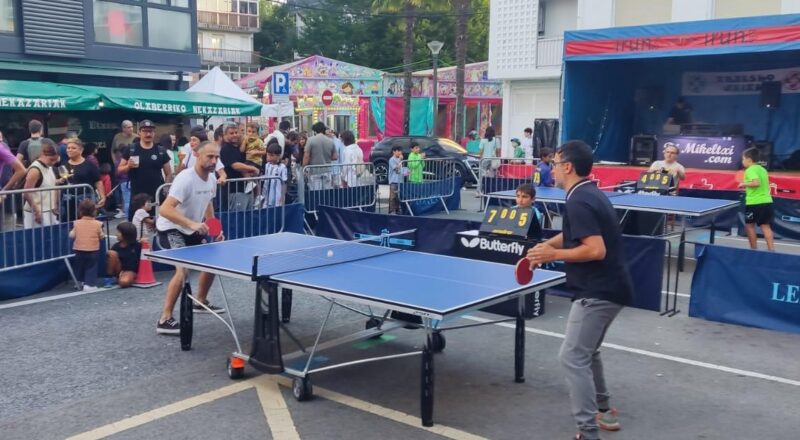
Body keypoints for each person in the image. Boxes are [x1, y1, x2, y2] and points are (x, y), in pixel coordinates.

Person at [526, 140, 633, 440]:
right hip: (613, 287)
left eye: (555, 164)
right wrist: (547, 245)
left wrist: (553, 255)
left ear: (568, 167)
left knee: (573, 357)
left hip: (598, 291)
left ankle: (587, 431)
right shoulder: (588, 192)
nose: (552, 169)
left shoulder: (578, 201)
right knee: (588, 351)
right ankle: (604, 410)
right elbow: (575, 233)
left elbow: (595, 249)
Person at [155, 140, 225, 335]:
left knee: (213, 262)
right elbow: (164, 209)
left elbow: (208, 204)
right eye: (210, 156)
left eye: (217, 157)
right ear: (197, 155)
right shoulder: (185, 179)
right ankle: (164, 319)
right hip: (171, 228)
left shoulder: (212, 180)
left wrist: (215, 229)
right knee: (183, 270)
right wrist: (191, 223)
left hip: (192, 229)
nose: (214, 161)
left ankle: (200, 301)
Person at [118, 120, 172, 220]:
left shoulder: (160, 151)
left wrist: (165, 189)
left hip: (156, 196)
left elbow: (168, 173)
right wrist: (128, 166)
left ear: (154, 133)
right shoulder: (131, 149)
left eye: (150, 131)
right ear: (139, 132)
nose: (148, 134)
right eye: (145, 131)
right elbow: (119, 170)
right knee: (137, 224)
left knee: (158, 223)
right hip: (137, 197)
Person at [61, 138, 106, 222]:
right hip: (68, 201)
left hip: (86, 201)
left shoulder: (90, 164)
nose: (70, 150)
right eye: (68, 148)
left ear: (81, 150)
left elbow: (98, 181)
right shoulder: (63, 164)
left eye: (73, 148)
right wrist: (55, 203)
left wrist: (102, 196)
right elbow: (59, 185)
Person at [739, 147, 775, 251]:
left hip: (754, 203)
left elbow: (756, 183)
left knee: (749, 226)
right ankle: (772, 251)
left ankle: (753, 250)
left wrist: (743, 184)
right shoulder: (763, 169)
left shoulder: (750, 170)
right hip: (767, 202)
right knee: (766, 227)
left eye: (743, 159)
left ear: (749, 160)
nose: (742, 161)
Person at [219, 122, 259, 211]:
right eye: (231, 133)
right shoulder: (225, 148)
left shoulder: (239, 146)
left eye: (236, 132)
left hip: (245, 189)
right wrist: (252, 168)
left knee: (247, 215)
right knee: (238, 215)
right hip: (234, 190)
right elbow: (235, 165)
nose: (235, 135)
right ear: (225, 135)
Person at [69, 199, 105, 292]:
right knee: (91, 267)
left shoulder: (76, 223)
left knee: (80, 266)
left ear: (80, 211)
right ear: (94, 211)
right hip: (92, 249)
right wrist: (101, 236)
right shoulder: (98, 224)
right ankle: (89, 284)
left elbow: (71, 235)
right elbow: (101, 236)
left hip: (78, 249)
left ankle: (80, 281)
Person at [22, 142, 61, 228]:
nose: (53, 163)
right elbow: (27, 192)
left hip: (49, 209)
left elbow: (53, 185)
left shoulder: (49, 167)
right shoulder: (35, 170)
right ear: (43, 154)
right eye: (51, 159)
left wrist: (54, 204)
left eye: (55, 160)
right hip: (37, 210)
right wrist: (36, 211)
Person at [303, 122, 337, 190]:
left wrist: (304, 167)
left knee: (316, 192)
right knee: (326, 193)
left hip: (315, 170)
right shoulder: (330, 141)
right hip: (327, 170)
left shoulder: (310, 140)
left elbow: (306, 156)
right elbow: (335, 157)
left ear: (315, 131)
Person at [106, 222, 141, 288]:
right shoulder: (116, 246)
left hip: (131, 271)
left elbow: (147, 256)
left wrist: (145, 243)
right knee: (111, 253)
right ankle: (109, 278)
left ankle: (131, 278)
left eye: (119, 232)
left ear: (126, 234)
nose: (116, 234)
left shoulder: (137, 245)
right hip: (119, 270)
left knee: (124, 282)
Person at [261, 141, 287, 208]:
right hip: (266, 196)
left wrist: (282, 197)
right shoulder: (267, 165)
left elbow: (284, 183)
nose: (269, 157)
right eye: (268, 154)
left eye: (272, 155)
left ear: (278, 156)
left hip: (277, 198)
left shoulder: (282, 167)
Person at [388, 145, 403, 214]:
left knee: (398, 196)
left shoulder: (400, 160)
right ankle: (392, 210)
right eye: (398, 151)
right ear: (394, 152)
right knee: (393, 197)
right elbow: (396, 168)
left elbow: (401, 169)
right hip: (393, 181)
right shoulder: (392, 159)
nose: (400, 152)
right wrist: (400, 160)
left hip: (400, 181)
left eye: (400, 151)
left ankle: (397, 209)